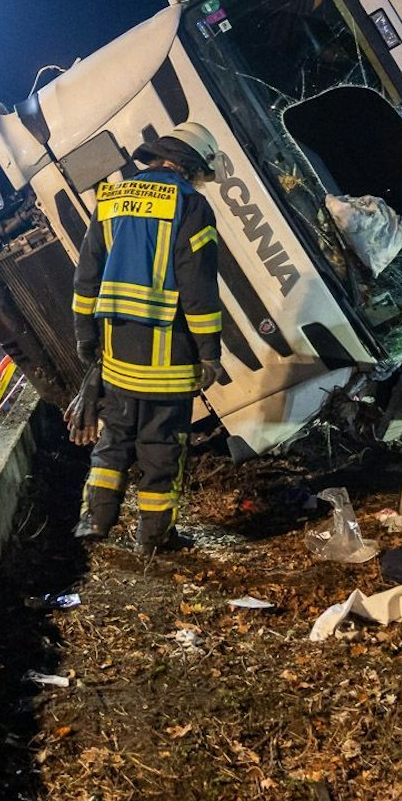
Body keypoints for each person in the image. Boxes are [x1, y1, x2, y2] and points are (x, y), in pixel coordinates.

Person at [70, 123, 226, 553]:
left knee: (114, 438)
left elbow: (87, 276)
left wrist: (86, 334)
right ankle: (153, 539)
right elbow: (199, 289)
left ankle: (95, 523)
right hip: (167, 358)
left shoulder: (112, 199)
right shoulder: (191, 206)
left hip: (117, 354)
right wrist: (209, 353)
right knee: (161, 447)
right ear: (192, 166)